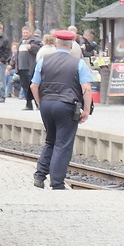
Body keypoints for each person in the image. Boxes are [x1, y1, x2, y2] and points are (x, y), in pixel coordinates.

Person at [31, 29, 93, 190]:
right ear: (72, 45)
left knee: (50, 140)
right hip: (67, 106)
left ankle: (39, 175)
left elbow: (34, 85)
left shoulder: (44, 61)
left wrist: (40, 103)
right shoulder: (78, 63)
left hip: (46, 104)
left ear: (56, 43)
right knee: (63, 144)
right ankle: (57, 183)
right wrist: (86, 110)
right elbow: (86, 88)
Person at [16, 26, 41, 111]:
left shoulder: (35, 40)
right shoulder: (21, 42)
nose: (25, 34)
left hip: (30, 68)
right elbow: (16, 55)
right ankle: (28, 104)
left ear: (30, 32)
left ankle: (38, 104)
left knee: (33, 86)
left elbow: (39, 48)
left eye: (26, 32)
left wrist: (31, 47)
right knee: (25, 86)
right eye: (24, 33)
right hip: (21, 68)